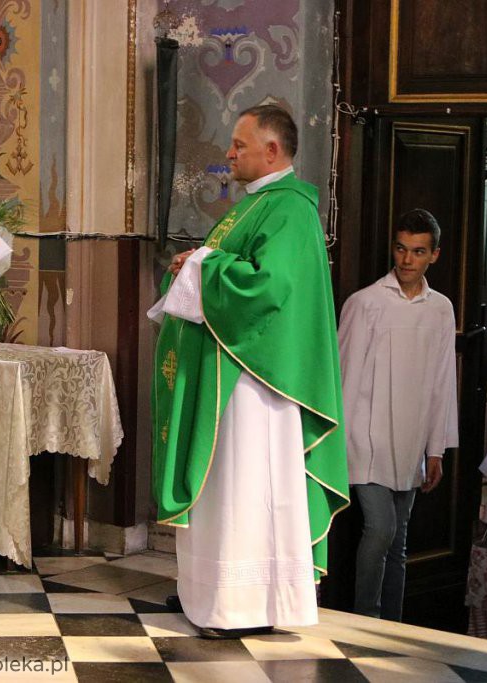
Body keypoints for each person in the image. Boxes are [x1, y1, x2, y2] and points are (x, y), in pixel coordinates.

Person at [149, 104, 349, 639]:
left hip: (256, 383)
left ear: (272, 150)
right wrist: (197, 261)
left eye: (239, 145)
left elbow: (267, 287)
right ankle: (209, 592)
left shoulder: (290, 209)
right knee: (223, 485)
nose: (229, 153)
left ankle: (242, 605)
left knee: (245, 485)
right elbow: (231, 269)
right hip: (233, 373)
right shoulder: (257, 205)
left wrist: (202, 264)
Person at [338, 208, 458, 622]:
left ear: (434, 255)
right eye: (401, 249)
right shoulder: (365, 303)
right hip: (365, 438)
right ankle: (365, 619)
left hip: (410, 439)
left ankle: (393, 625)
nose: (407, 260)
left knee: (399, 539)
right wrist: (338, 442)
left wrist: (435, 449)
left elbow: (443, 381)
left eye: (418, 251)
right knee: (381, 528)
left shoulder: (441, 309)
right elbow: (345, 375)